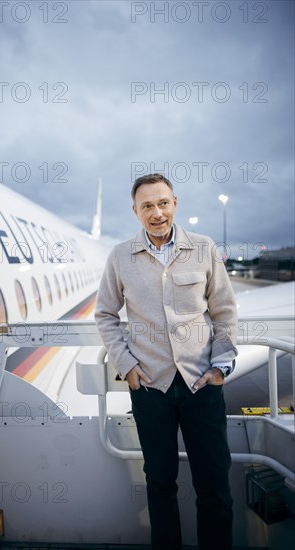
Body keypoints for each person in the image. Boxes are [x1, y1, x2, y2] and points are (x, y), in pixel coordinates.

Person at [95, 173, 238, 550]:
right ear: (135, 211)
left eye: (163, 203)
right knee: (160, 484)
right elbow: (105, 315)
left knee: (215, 485)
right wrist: (126, 365)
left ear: (175, 203)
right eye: (147, 206)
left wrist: (220, 366)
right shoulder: (120, 256)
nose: (156, 212)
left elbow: (224, 312)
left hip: (201, 385)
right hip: (151, 388)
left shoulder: (204, 248)